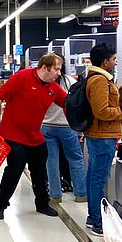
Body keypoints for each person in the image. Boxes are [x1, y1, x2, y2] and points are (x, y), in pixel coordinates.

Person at [0, 52, 66, 220]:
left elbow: (69, 104)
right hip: (13, 135)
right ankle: (0, 205)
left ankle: (42, 204)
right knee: (14, 170)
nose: (59, 73)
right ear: (44, 67)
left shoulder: (53, 88)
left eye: (60, 69)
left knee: (40, 173)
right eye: (56, 69)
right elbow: (0, 96)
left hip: (35, 137)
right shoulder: (23, 77)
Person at [83, 43, 122, 236]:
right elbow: (101, 111)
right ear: (105, 61)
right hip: (103, 136)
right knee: (98, 180)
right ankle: (98, 222)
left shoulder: (95, 78)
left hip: (98, 135)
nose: (115, 63)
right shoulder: (100, 80)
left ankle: (93, 218)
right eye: (114, 59)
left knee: (94, 178)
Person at [41, 54, 87, 203]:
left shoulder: (45, 83)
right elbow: (77, 106)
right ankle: (80, 193)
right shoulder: (70, 82)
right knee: (75, 159)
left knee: (51, 161)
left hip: (47, 126)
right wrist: (80, 129)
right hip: (67, 127)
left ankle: (55, 196)